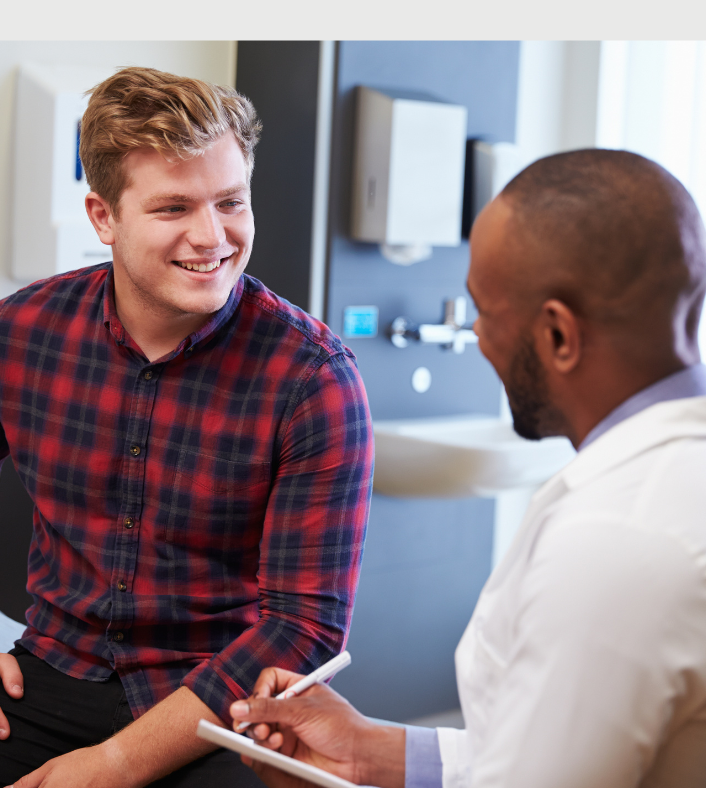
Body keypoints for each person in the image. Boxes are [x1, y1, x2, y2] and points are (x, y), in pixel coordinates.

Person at [228, 149, 706, 788]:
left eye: (483, 309)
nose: (477, 336)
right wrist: (368, 750)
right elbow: (557, 750)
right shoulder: (669, 483)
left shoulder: (616, 540)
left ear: (559, 335)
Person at [0, 67, 374, 787]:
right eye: (174, 208)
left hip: (218, 708)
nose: (213, 237)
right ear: (103, 217)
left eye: (232, 202)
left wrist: (113, 763)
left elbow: (304, 629)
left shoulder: (314, 379)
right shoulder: (22, 332)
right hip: (46, 673)